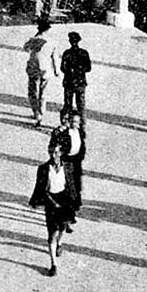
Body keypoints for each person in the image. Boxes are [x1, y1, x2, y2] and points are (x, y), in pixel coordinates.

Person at [29, 141, 74, 276]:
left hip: (64, 200)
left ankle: (60, 243)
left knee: (62, 228)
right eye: (51, 152)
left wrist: (72, 203)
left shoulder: (67, 167)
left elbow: (71, 186)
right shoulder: (43, 168)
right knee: (51, 233)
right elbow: (41, 188)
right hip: (50, 202)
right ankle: (53, 264)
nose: (53, 155)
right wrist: (44, 202)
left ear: (60, 153)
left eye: (55, 152)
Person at [23, 18, 60, 129]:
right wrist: (56, 70)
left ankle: (36, 113)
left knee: (33, 91)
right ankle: (42, 111)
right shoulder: (52, 41)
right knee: (43, 92)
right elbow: (55, 57)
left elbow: (25, 48)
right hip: (46, 69)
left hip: (34, 68)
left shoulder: (34, 39)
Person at [60, 31, 91, 129]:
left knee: (68, 104)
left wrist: (70, 71)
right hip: (80, 82)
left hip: (69, 82)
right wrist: (80, 71)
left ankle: (66, 123)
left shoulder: (67, 53)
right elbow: (88, 68)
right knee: (81, 104)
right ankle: (83, 124)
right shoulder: (84, 53)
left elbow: (62, 68)